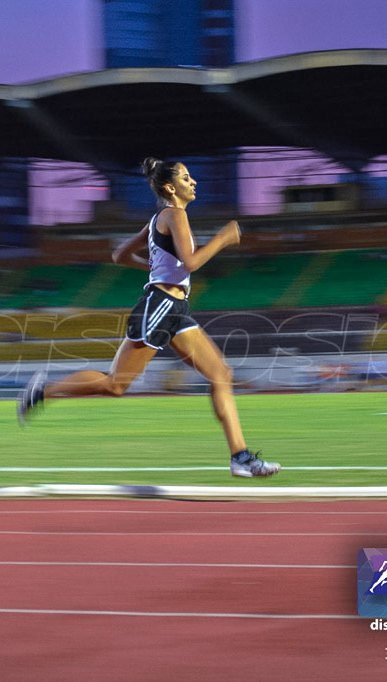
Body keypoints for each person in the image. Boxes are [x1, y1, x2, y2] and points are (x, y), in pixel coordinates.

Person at [18, 157, 280, 478]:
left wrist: (157, 268)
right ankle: (42, 391)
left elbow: (120, 255)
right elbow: (192, 262)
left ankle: (240, 457)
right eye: (186, 178)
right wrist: (223, 239)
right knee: (115, 385)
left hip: (176, 309)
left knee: (220, 373)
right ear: (171, 187)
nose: (193, 182)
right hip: (159, 306)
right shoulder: (174, 214)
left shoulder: (160, 217)